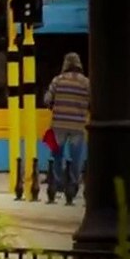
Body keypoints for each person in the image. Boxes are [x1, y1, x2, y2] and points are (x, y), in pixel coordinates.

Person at [43, 52, 91, 197]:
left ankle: (57, 184)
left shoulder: (58, 80)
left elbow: (47, 100)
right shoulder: (86, 82)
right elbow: (92, 103)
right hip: (78, 125)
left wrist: (54, 106)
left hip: (58, 124)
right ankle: (74, 183)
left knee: (57, 155)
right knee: (76, 157)